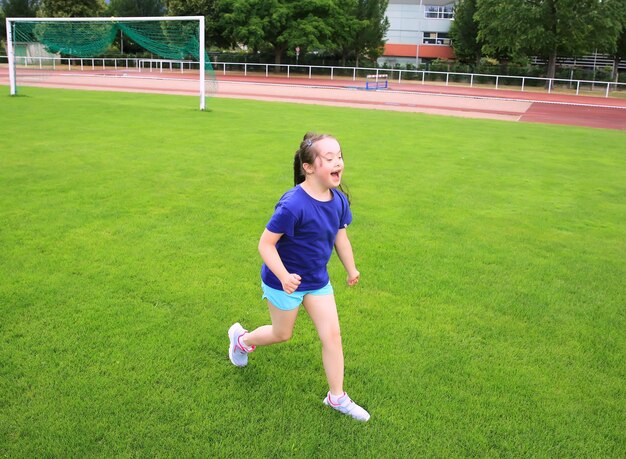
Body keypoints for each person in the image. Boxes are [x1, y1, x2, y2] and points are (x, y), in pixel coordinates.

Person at [228, 132, 370, 422]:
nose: (338, 162)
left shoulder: (339, 200)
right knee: (282, 334)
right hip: (283, 280)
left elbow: (340, 238)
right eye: (329, 158)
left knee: (332, 336)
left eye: (340, 156)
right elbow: (265, 244)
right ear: (308, 167)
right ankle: (241, 340)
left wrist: (351, 268)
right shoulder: (293, 204)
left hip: (317, 280)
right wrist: (283, 276)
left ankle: (336, 397)